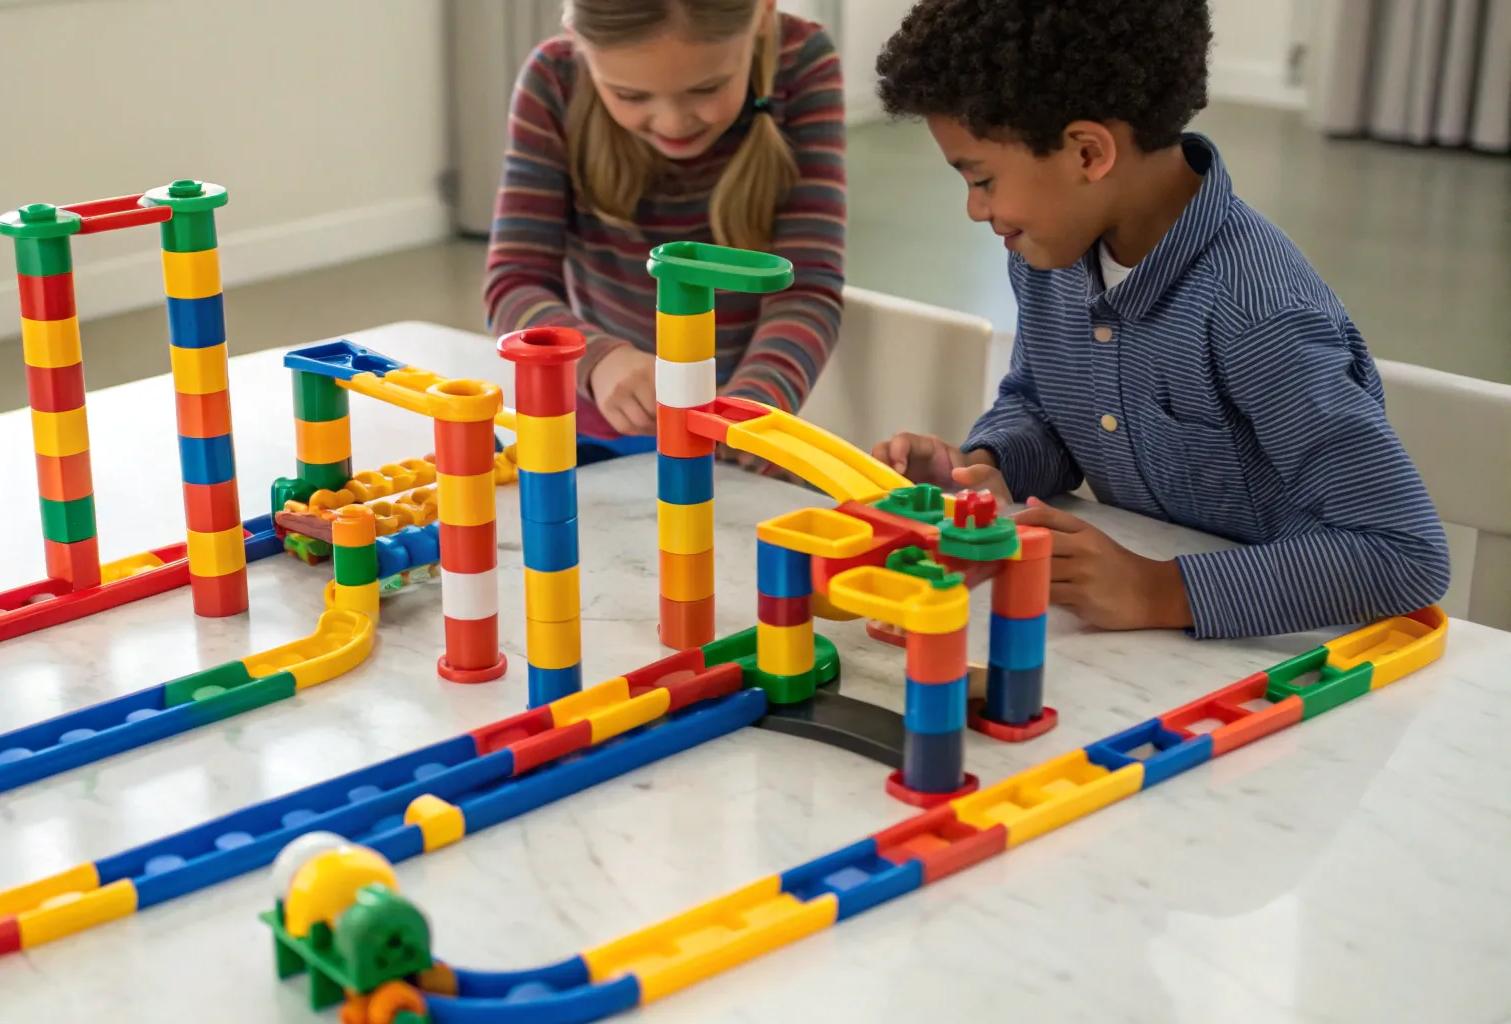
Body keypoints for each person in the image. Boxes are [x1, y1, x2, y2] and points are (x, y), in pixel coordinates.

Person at [868, 0, 1449, 639]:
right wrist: (984, 468)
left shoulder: (1259, 314)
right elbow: (1046, 407)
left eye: (981, 180)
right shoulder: (1046, 254)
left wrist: (1156, 591)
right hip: (1145, 654)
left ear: (1088, 153)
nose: (977, 210)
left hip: (1287, 657)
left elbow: (1405, 552)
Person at [484, 0, 846, 466]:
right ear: (581, 44)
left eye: (708, 88)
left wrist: (753, 407)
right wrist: (598, 359)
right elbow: (513, 282)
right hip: (598, 439)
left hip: (741, 441)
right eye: (631, 96)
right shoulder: (554, 81)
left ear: (762, 15)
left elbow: (808, 288)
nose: (673, 122)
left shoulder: (802, 64)